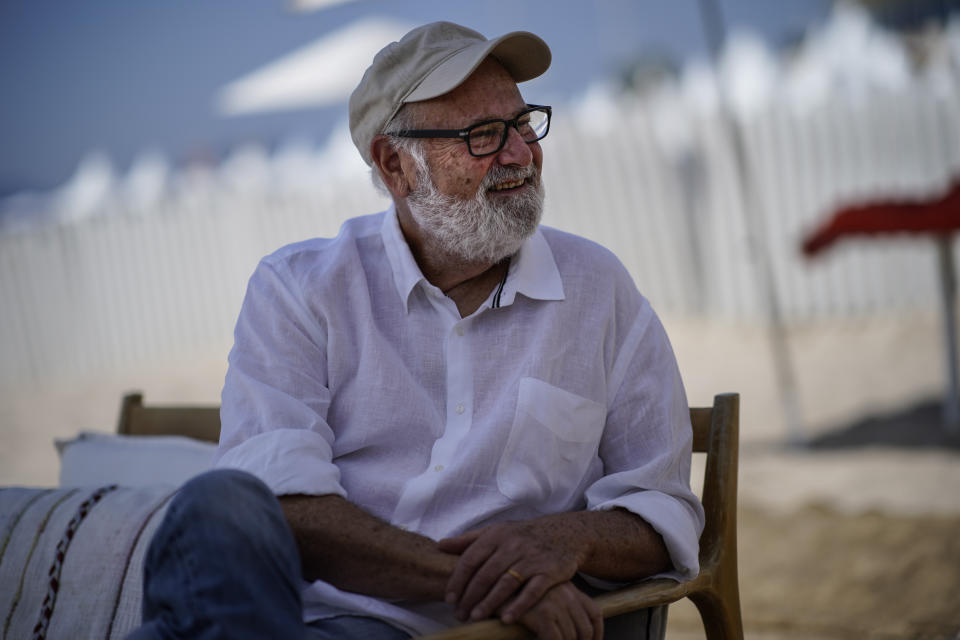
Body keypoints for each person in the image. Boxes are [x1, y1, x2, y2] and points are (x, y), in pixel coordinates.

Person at [126, 21, 704, 640]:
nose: (519, 154)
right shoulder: (299, 288)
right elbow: (284, 505)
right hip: (315, 622)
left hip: (490, 634)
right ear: (396, 165)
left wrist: (569, 539)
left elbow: (662, 508)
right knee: (219, 510)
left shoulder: (597, 287)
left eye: (522, 122)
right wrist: (491, 584)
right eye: (482, 135)